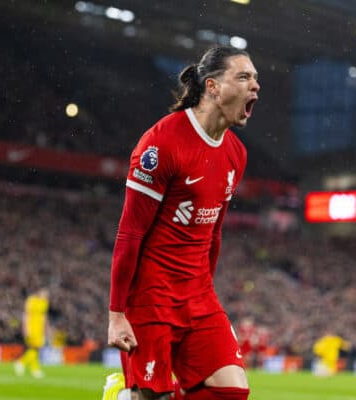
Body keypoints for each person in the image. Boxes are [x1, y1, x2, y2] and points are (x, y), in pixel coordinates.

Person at [105, 45, 260, 400]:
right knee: (153, 396)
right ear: (213, 87)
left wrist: (207, 290)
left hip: (198, 295)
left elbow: (214, 233)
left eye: (256, 79)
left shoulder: (237, 152)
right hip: (151, 295)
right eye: (244, 77)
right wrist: (116, 313)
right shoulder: (161, 144)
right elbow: (130, 232)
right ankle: (127, 393)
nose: (255, 86)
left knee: (233, 391)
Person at [14, 288, 50, 378]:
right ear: (39, 293)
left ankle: (35, 370)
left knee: (35, 349)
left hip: (39, 329)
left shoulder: (45, 302)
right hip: (31, 327)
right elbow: (26, 315)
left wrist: (45, 329)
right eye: (44, 294)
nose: (45, 296)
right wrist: (25, 328)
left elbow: (44, 317)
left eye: (46, 295)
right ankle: (21, 362)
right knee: (35, 347)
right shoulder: (31, 300)